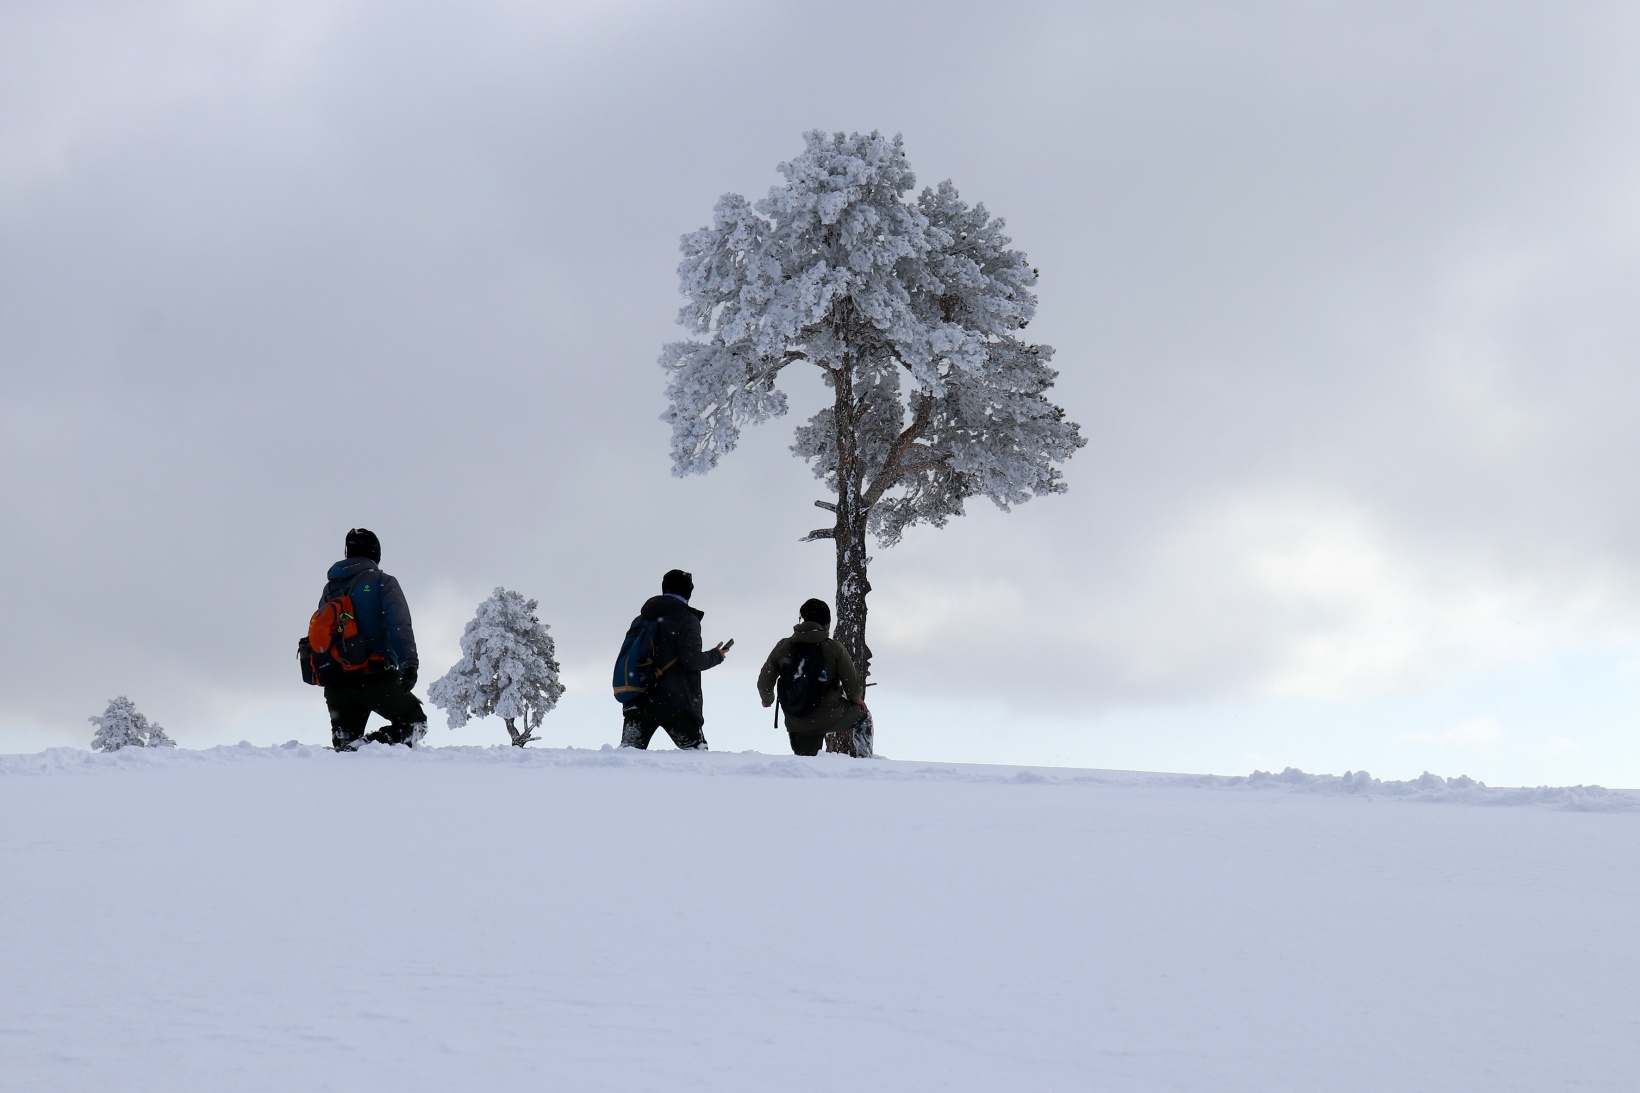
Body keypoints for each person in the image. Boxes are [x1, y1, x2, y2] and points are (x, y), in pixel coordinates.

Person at [316, 528, 426, 751]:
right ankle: (366, 749)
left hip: (338, 683)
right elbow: (399, 625)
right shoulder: (382, 582)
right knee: (415, 724)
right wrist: (410, 665)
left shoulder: (330, 589)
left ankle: (354, 753)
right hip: (375, 676)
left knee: (345, 746)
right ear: (376, 553)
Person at [618, 569, 728, 750]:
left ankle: (608, 779)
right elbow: (692, 660)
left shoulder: (641, 619)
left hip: (637, 696)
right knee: (695, 755)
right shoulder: (686, 618)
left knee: (628, 756)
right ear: (689, 592)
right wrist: (716, 655)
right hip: (674, 701)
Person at [757, 598, 868, 756]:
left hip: (796, 720)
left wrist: (767, 699)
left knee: (807, 763)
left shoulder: (783, 646)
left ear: (802, 620)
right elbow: (852, 685)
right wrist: (857, 700)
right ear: (827, 623)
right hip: (830, 715)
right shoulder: (834, 648)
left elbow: (764, 680)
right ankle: (865, 762)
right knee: (864, 717)